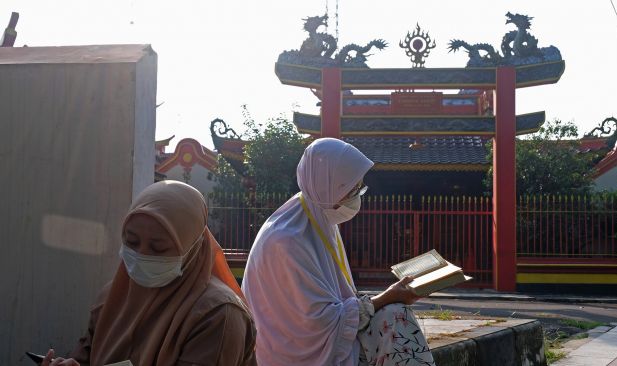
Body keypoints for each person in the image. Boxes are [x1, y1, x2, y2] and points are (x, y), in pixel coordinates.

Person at [242, 138, 435, 366]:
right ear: (327, 187)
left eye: (359, 189)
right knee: (395, 317)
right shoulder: (286, 241)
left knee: (395, 314)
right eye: (352, 189)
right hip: (295, 353)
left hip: (327, 338)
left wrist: (386, 299)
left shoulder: (317, 219)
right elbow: (318, 324)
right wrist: (386, 297)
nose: (357, 197)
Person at [40, 180, 257, 366]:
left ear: (191, 249)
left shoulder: (218, 315)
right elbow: (85, 355)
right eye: (132, 242)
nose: (142, 255)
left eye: (159, 248)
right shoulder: (112, 298)